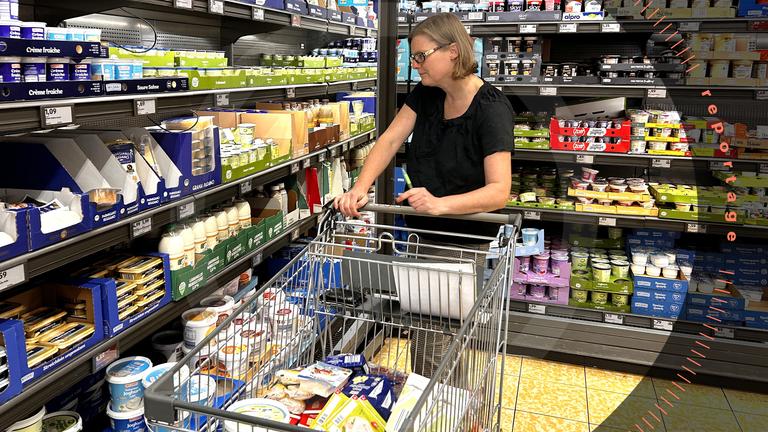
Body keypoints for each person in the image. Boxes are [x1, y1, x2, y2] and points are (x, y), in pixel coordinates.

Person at [334, 13, 514, 377]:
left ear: (452, 52)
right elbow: (389, 139)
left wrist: (439, 204)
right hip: (422, 233)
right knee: (434, 335)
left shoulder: (491, 109)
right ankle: (455, 408)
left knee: (431, 341)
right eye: (413, 58)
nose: (414, 65)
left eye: (421, 56)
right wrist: (359, 186)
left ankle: (429, 415)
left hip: (460, 239)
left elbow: (499, 192)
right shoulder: (428, 94)